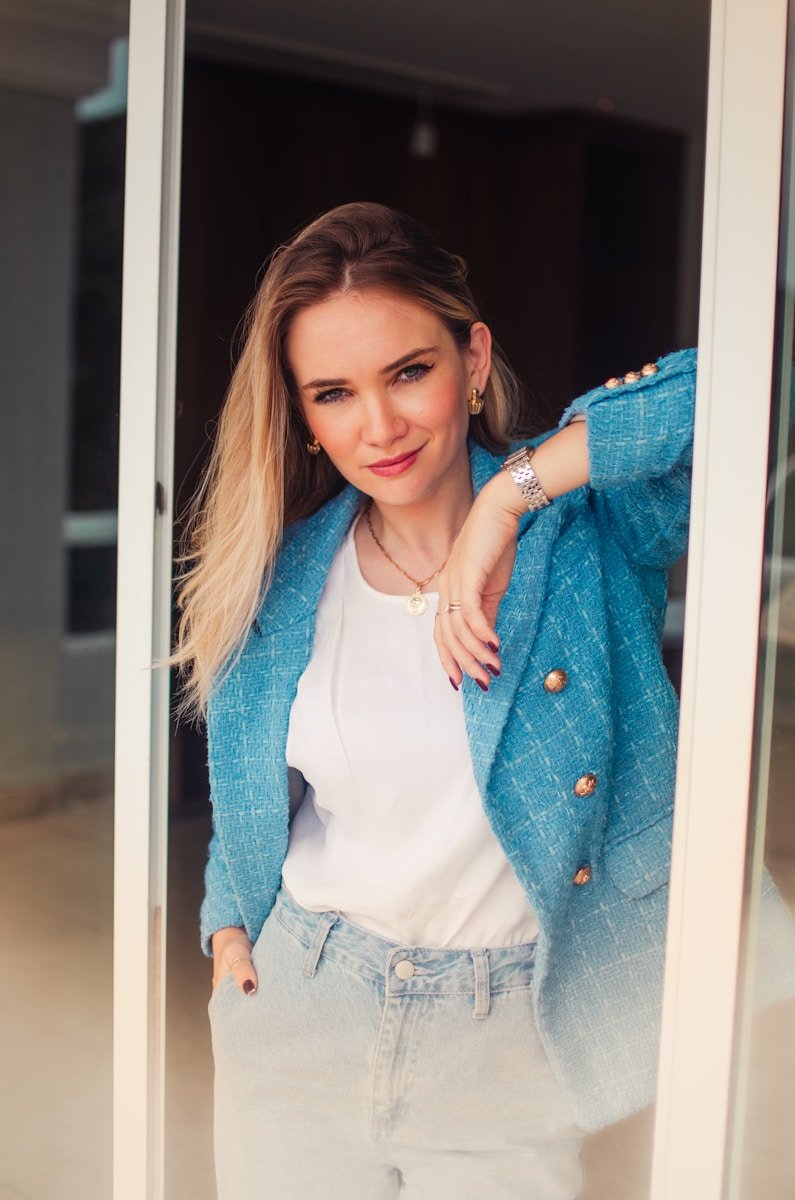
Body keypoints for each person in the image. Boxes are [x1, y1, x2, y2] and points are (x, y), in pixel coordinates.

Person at [172, 201, 735, 1197]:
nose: (379, 427)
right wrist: (225, 921)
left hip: (508, 1033)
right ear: (303, 414)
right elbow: (259, 785)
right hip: (304, 1009)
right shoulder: (285, 578)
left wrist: (505, 504)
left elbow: (737, 393)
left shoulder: (589, 534)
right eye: (335, 393)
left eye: (410, 372)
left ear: (473, 361)